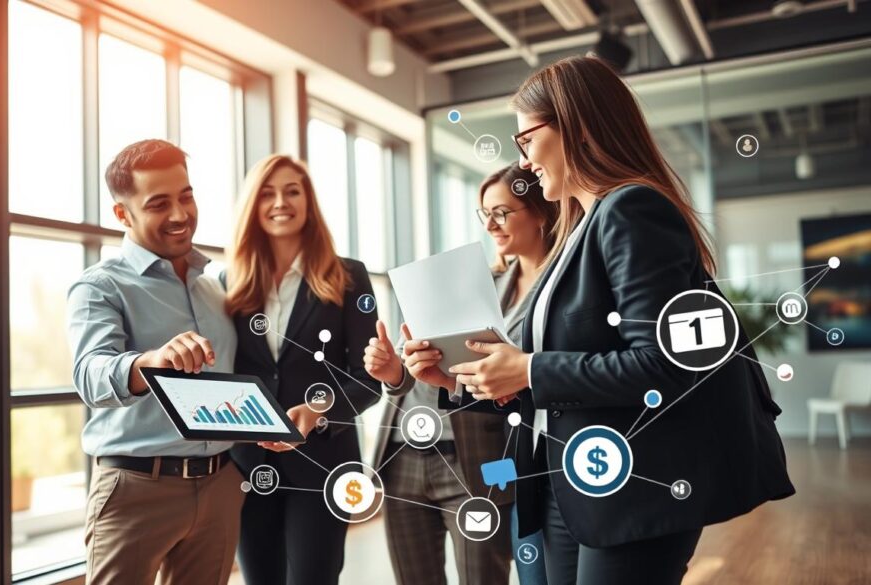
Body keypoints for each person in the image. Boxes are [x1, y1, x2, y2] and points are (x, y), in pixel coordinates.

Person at [416, 56, 796, 585]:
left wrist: (529, 369)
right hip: (572, 479)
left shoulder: (631, 211)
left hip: (633, 484)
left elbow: (664, 366)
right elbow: (563, 374)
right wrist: (460, 380)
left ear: (575, 126)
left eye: (526, 140)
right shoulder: (580, 230)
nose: (523, 162)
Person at [364, 163, 556, 585]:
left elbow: (534, 379)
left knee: (484, 575)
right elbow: (426, 371)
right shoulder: (480, 282)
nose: (489, 225)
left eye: (501, 212)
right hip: (406, 449)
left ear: (541, 210)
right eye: (484, 213)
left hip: (485, 460)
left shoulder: (560, 288)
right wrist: (397, 371)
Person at [67, 139, 244, 585]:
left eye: (186, 196)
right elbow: (90, 375)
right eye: (159, 204)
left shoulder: (215, 287)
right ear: (123, 214)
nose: (180, 214)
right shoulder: (99, 286)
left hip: (219, 484)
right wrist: (152, 361)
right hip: (137, 488)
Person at [224, 154, 380, 585]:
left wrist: (319, 411)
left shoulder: (349, 276)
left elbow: (368, 380)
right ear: (253, 206)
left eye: (292, 191)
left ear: (308, 202)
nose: (281, 202)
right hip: (249, 463)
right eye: (268, 194)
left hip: (325, 462)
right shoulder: (230, 283)